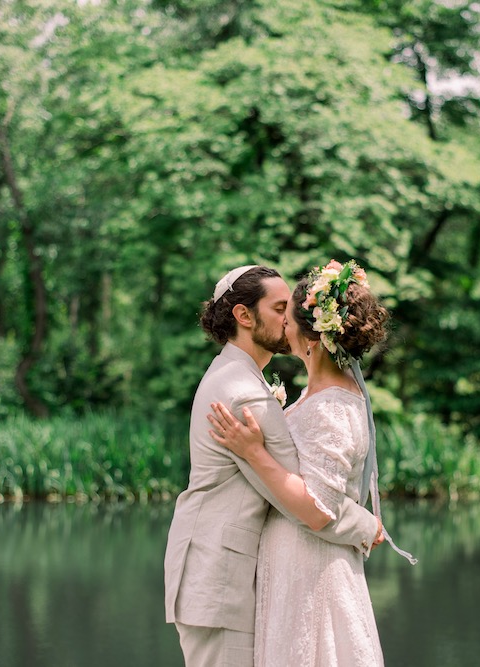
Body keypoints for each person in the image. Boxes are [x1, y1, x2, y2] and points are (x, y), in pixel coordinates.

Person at [164, 264, 384, 667]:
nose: (290, 319)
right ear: (244, 316)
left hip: (227, 577)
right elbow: (312, 501)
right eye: (280, 307)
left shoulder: (234, 376)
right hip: (221, 581)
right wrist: (368, 526)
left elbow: (309, 493)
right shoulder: (245, 394)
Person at [207, 259, 416, 667]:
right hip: (294, 566)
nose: (283, 325)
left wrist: (254, 453)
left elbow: (317, 509)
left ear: (312, 338)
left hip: (311, 570)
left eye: (289, 318)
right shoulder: (318, 396)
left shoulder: (332, 407)